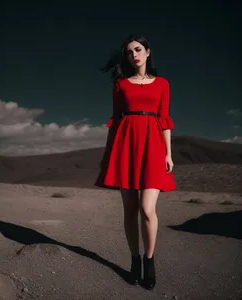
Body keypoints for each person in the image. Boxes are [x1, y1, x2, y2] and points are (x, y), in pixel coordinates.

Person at [94, 34, 176, 290]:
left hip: (153, 145)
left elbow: (164, 119)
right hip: (125, 145)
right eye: (129, 52)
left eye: (138, 50)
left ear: (148, 52)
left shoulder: (162, 83)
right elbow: (115, 119)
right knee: (129, 210)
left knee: (147, 209)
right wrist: (108, 154)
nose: (134, 55)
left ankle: (149, 260)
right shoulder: (120, 84)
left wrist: (168, 153)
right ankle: (134, 259)